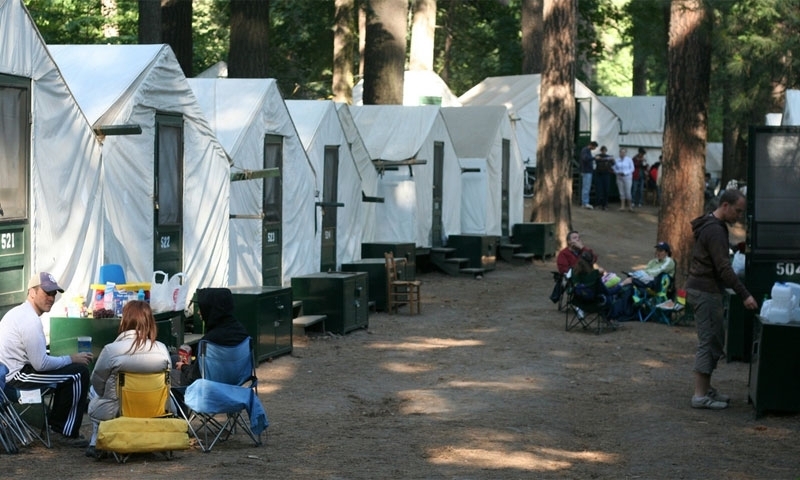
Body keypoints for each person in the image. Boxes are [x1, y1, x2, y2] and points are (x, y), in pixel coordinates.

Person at [0, 272, 92, 446]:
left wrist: (66, 361)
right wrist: (71, 358)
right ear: (32, 292)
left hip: (11, 373)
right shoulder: (29, 320)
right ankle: (63, 432)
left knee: (69, 372)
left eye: (54, 293)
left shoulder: (21, 312)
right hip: (15, 378)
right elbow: (40, 364)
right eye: (47, 292)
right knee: (78, 373)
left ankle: (56, 426)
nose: (51, 298)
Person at [686, 189, 758, 410]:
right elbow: (723, 268)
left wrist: (735, 249)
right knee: (708, 341)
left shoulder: (710, 224)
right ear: (725, 206)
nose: (739, 216)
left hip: (704, 288)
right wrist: (744, 294)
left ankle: (706, 389)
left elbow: (714, 256)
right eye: (737, 210)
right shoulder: (716, 231)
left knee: (715, 338)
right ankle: (699, 396)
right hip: (705, 290)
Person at [85, 300, 172, 458]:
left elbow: (97, 383)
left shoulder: (111, 350)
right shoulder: (162, 349)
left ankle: (95, 441)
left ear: (124, 321)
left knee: (93, 391)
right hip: (155, 409)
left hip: (118, 411)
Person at [174, 288, 249, 387]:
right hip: (237, 382)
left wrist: (184, 367)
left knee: (166, 374)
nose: (198, 312)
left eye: (202, 308)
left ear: (211, 310)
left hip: (211, 390)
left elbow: (195, 378)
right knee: (174, 358)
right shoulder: (243, 334)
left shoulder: (208, 342)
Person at [613, 148, 634, 212]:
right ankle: (622, 206)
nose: (622, 153)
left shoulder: (629, 160)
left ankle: (630, 206)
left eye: (623, 152)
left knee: (628, 192)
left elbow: (632, 168)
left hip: (627, 177)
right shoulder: (617, 160)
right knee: (621, 192)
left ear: (625, 153)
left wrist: (625, 173)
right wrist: (617, 172)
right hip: (619, 177)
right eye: (621, 152)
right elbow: (614, 168)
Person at [593, 146, 614, 210]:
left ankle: (605, 204)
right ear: (601, 150)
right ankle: (598, 204)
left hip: (606, 174)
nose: (603, 152)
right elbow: (596, 160)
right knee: (599, 190)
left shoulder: (608, 157)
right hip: (599, 174)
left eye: (604, 150)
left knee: (606, 190)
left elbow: (613, 163)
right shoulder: (598, 156)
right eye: (603, 150)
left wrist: (612, 160)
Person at [580, 141, 598, 209]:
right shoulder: (585, 150)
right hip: (586, 171)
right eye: (594, 147)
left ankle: (585, 202)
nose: (594, 149)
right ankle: (585, 202)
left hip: (587, 170)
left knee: (586, 187)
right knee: (586, 187)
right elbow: (585, 158)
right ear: (592, 145)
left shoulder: (587, 150)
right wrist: (594, 158)